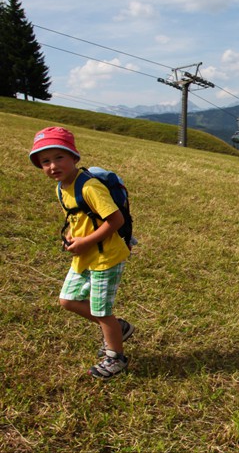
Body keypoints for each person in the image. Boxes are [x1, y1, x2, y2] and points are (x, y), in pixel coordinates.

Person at [29, 126, 135, 380]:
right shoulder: (62, 187)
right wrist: (72, 236)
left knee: (101, 312)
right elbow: (79, 218)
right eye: (45, 161)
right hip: (85, 255)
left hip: (106, 258)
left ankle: (116, 358)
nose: (53, 165)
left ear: (74, 157)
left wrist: (86, 242)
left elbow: (115, 220)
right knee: (68, 300)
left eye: (59, 157)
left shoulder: (89, 187)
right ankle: (118, 328)